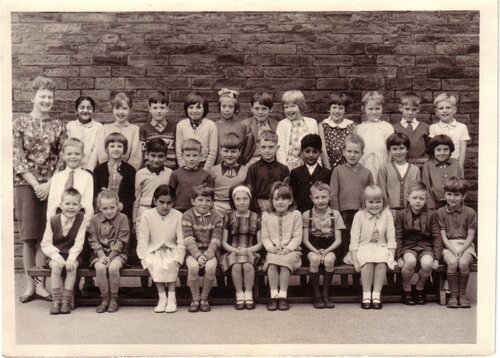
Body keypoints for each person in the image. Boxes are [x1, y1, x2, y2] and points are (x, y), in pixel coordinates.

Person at [13, 76, 67, 303]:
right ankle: (29, 286)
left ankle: (41, 285)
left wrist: (50, 184)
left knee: (46, 235)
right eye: (42, 96)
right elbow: (17, 157)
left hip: (51, 185)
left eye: (50, 97)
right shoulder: (19, 123)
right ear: (33, 97)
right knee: (29, 237)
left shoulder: (59, 126)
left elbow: (64, 156)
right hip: (26, 185)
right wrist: (35, 184)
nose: (46, 100)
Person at [344, 185, 396, 310]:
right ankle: (366, 295)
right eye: (370, 202)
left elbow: (391, 236)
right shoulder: (359, 215)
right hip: (363, 247)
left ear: (383, 202)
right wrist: (355, 260)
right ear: (364, 202)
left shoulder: (387, 214)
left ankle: (376, 295)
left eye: (378, 202)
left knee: (381, 262)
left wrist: (391, 255)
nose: (374, 205)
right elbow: (354, 239)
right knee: (367, 261)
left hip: (381, 246)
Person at [137, 185, 185, 313]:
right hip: (153, 250)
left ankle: (172, 298)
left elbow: (181, 240)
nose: (165, 206)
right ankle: (162, 298)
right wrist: (143, 258)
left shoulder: (178, 215)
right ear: (154, 201)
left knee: (171, 262)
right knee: (155, 263)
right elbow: (143, 239)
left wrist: (180, 257)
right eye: (161, 202)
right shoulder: (147, 215)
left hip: (171, 249)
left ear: (173, 202)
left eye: (169, 203)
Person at [330, 134, 374, 268]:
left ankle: (356, 282)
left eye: (356, 152)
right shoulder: (337, 171)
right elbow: (333, 194)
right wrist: (336, 215)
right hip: (343, 215)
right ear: (343, 152)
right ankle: (344, 285)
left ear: (362, 154)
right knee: (344, 245)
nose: (352, 155)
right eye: (349, 151)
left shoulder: (366, 172)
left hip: (361, 214)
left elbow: (371, 195)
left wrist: (367, 213)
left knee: (358, 246)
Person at [395, 182, 442, 305]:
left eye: (421, 198)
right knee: (410, 262)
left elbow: (437, 237)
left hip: (425, 246)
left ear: (426, 199)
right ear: (408, 197)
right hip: (408, 246)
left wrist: (437, 258)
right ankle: (406, 288)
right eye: (414, 198)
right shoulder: (401, 214)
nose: (417, 201)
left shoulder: (432, 215)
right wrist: (398, 256)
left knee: (427, 264)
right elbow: (398, 236)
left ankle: (420, 288)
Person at [41, 188, 86, 314]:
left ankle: (66, 302)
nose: (71, 207)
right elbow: (46, 243)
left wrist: (71, 258)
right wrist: (56, 256)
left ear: (80, 206)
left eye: (75, 204)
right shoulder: (53, 220)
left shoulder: (81, 219)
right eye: (67, 204)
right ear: (60, 205)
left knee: (72, 268)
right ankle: (56, 301)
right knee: (56, 267)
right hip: (56, 254)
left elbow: (79, 242)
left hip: (73, 254)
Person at [302, 182, 344, 309]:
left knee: (329, 260)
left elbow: (338, 240)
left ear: (329, 197)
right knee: (314, 260)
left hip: (331, 246)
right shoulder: (306, 215)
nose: (320, 201)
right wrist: (316, 251)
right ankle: (317, 295)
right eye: (317, 197)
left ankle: (326, 293)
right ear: (311, 198)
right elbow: (305, 240)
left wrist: (325, 252)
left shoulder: (335, 214)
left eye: (323, 197)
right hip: (312, 246)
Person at [261, 181, 302, 311]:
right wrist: (271, 248)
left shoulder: (295, 215)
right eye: (276, 198)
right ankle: (274, 296)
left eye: (284, 198)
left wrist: (288, 248)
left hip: (292, 251)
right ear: (271, 201)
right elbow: (265, 237)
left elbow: (297, 236)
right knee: (272, 263)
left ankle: (283, 296)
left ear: (290, 201)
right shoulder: (266, 216)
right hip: (273, 250)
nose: (280, 202)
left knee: (284, 263)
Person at [436, 177, 477, 309]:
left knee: (464, 263)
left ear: (464, 195)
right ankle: (453, 296)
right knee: (453, 262)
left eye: (456, 195)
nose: (452, 198)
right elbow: (443, 236)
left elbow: (471, 235)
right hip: (448, 246)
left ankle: (462, 295)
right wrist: (453, 251)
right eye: (449, 194)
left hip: (465, 245)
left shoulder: (470, 212)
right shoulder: (440, 212)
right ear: (444, 194)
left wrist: (462, 250)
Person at [88, 190, 130, 313]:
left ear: (118, 205)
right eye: (105, 208)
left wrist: (110, 257)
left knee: (113, 267)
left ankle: (113, 299)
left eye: (112, 207)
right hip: (99, 254)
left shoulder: (123, 218)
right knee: (100, 268)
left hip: (118, 253)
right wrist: (101, 256)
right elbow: (93, 240)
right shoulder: (94, 220)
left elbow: (121, 241)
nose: (109, 211)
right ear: (99, 208)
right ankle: (105, 299)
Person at [182, 184, 223, 313]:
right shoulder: (187, 215)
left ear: (212, 202)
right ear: (193, 201)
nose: (204, 204)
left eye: (208, 200)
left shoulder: (217, 217)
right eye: (200, 200)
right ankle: (195, 299)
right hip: (192, 253)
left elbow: (216, 240)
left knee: (210, 267)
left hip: (210, 252)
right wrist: (198, 255)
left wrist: (207, 255)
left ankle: (204, 298)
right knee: (193, 267)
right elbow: (188, 239)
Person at [220, 184, 262, 310]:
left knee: (248, 264)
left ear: (250, 199)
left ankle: (248, 293)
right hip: (232, 250)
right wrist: (235, 250)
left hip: (250, 249)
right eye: (238, 199)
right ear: (233, 201)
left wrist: (247, 250)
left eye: (245, 199)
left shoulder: (256, 217)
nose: (242, 202)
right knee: (237, 264)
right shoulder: (228, 217)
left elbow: (260, 243)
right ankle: (239, 294)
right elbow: (224, 242)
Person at [87, 92, 142, 171]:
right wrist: (109, 170)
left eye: (124, 108)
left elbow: (135, 156)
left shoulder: (134, 129)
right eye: (117, 108)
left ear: (130, 110)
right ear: (112, 109)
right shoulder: (104, 129)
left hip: (127, 173)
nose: (120, 112)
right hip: (107, 171)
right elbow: (102, 154)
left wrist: (127, 172)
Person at [46, 137, 94, 227]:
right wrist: (50, 225)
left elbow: (88, 204)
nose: (73, 157)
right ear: (63, 156)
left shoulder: (87, 177)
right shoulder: (57, 177)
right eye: (69, 154)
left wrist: (86, 225)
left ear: (83, 156)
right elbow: (51, 204)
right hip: (59, 216)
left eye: (77, 154)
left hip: (80, 217)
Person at [93, 133, 136, 221]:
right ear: (106, 149)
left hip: (122, 213)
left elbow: (131, 195)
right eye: (112, 146)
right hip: (103, 211)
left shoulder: (130, 170)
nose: (116, 149)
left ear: (124, 149)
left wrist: (122, 205)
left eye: (119, 146)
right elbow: (95, 192)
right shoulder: (99, 170)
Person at [245, 130, 289, 214]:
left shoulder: (283, 169)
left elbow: (286, 191)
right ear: (258, 147)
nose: (267, 150)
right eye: (263, 147)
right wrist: (257, 209)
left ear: (277, 148)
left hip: (278, 204)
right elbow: (251, 191)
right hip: (259, 205)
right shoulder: (253, 168)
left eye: (271, 147)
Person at [133, 138, 172, 230]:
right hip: (144, 209)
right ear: (147, 154)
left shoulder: (170, 173)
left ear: (166, 156)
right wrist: (134, 221)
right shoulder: (140, 173)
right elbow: (136, 199)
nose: (156, 159)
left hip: (163, 211)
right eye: (153, 155)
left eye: (160, 156)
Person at [355, 91, 394, 183]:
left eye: (377, 108)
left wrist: (388, 165)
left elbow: (391, 149)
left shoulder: (387, 127)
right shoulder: (359, 128)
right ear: (364, 109)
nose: (374, 112)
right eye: (370, 109)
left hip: (382, 163)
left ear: (382, 108)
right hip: (364, 163)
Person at [378, 132, 421, 214]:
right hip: (390, 210)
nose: (398, 152)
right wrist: (386, 208)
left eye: (401, 148)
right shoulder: (384, 169)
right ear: (389, 150)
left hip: (410, 211)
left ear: (407, 149)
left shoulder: (415, 170)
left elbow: (417, 191)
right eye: (394, 149)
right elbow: (381, 190)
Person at [276, 90, 319, 170]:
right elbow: (280, 150)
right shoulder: (282, 124)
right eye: (286, 107)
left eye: (293, 106)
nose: (289, 110)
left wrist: (318, 168)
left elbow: (317, 147)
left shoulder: (312, 122)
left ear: (301, 106)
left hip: (309, 167)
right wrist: (284, 169)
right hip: (289, 167)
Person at [175, 92, 218, 170]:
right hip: (186, 166)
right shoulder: (181, 125)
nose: (194, 111)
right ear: (186, 109)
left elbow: (213, 151)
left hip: (204, 165)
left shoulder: (211, 125)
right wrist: (183, 168)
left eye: (198, 107)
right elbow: (179, 150)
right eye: (191, 107)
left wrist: (206, 170)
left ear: (204, 108)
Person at [290, 134, 331, 213]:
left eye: (315, 152)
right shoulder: (295, 173)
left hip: (321, 213)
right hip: (301, 213)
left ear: (320, 153)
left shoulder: (327, 173)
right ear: (302, 152)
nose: (311, 155)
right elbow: (293, 196)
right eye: (307, 151)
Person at [169, 138, 213, 213]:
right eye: (188, 155)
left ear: (201, 156)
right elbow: (171, 195)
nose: (191, 159)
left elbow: (209, 195)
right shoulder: (175, 174)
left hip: (199, 210)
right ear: (182, 156)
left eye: (195, 155)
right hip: (179, 210)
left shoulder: (206, 175)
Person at [210, 132, 248, 217]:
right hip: (217, 206)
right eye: (226, 151)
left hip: (238, 206)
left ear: (240, 151)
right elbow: (209, 191)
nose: (229, 155)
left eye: (233, 151)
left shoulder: (245, 170)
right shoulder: (213, 170)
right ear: (220, 151)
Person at [422, 134, 464, 210]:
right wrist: (431, 207)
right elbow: (426, 187)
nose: (442, 153)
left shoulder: (456, 164)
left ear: (450, 150)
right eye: (438, 150)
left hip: (454, 202)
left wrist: (458, 204)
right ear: (433, 150)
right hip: (435, 204)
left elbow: (462, 185)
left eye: (445, 149)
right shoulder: (428, 165)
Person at [429, 93, 470, 168]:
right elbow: (432, 150)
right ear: (436, 112)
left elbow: (462, 152)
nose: (445, 111)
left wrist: (460, 168)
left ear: (454, 110)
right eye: (441, 108)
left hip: (455, 165)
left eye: (448, 108)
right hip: (438, 165)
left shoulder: (462, 127)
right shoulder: (433, 127)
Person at [139, 91, 177, 170]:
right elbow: (142, 154)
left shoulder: (174, 128)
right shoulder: (144, 129)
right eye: (155, 107)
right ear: (150, 109)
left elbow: (178, 152)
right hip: (150, 171)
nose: (159, 111)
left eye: (162, 107)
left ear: (167, 109)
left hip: (171, 170)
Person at [318, 93, 356, 170]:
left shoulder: (352, 126)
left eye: (341, 108)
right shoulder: (323, 125)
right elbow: (323, 150)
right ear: (329, 109)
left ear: (345, 110)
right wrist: (328, 169)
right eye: (334, 107)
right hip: (328, 166)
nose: (337, 111)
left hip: (347, 167)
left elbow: (353, 149)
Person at [240, 91, 278, 166]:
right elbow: (240, 149)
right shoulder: (244, 125)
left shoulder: (276, 125)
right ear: (251, 108)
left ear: (270, 109)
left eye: (264, 109)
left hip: (271, 162)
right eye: (257, 108)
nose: (260, 112)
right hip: (251, 161)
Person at [66, 96, 103, 169]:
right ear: (76, 110)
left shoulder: (98, 127)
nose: (85, 110)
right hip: (72, 167)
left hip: (91, 168)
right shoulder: (70, 126)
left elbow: (95, 151)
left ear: (93, 110)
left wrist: (89, 169)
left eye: (89, 108)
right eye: (82, 107)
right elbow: (68, 148)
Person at [392, 92, 429, 161]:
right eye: (407, 109)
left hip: (421, 165)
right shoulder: (394, 128)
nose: (410, 113)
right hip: (402, 164)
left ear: (418, 109)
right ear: (400, 108)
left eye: (414, 109)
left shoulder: (425, 127)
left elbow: (429, 148)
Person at [215, 88, 245, 164]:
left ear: (235, 108)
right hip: (218, 165)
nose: (227, 110)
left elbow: (242, 149)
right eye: (224, 106)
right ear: (219, 107)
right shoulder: (214, 126)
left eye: (230, 107)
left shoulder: (241, 126)